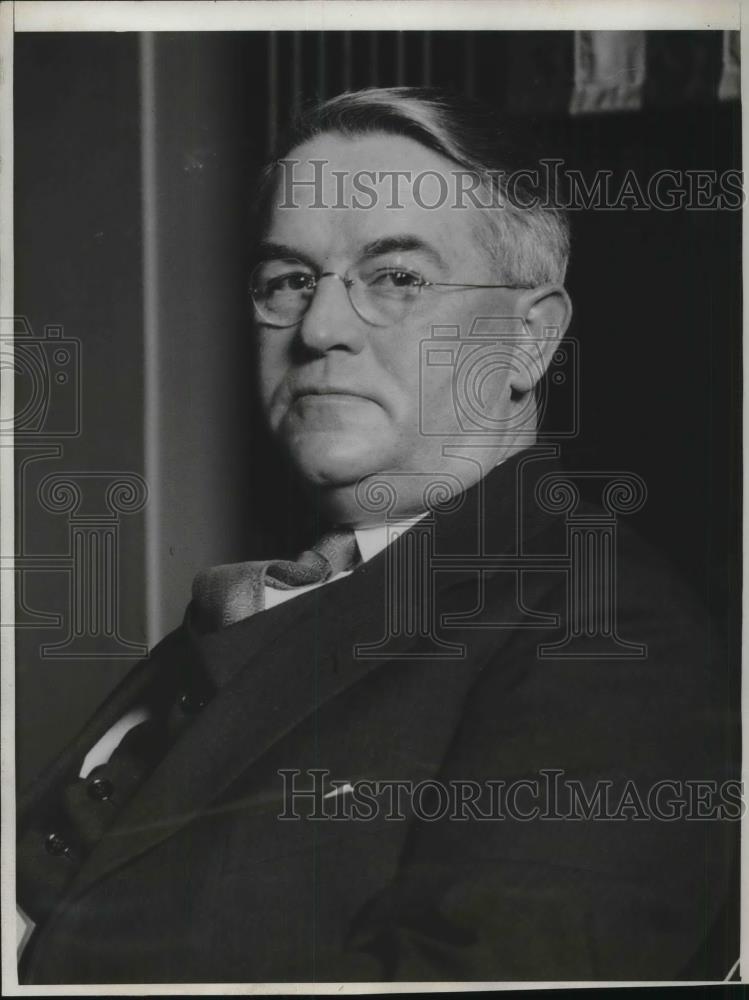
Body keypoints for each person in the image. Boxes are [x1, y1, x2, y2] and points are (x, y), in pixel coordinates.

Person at [17, 87, 737, 984]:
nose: (318, 328)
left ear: (527, 339)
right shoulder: (277, 594)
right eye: (288, 280)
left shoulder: (609, 639)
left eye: (395, 277)